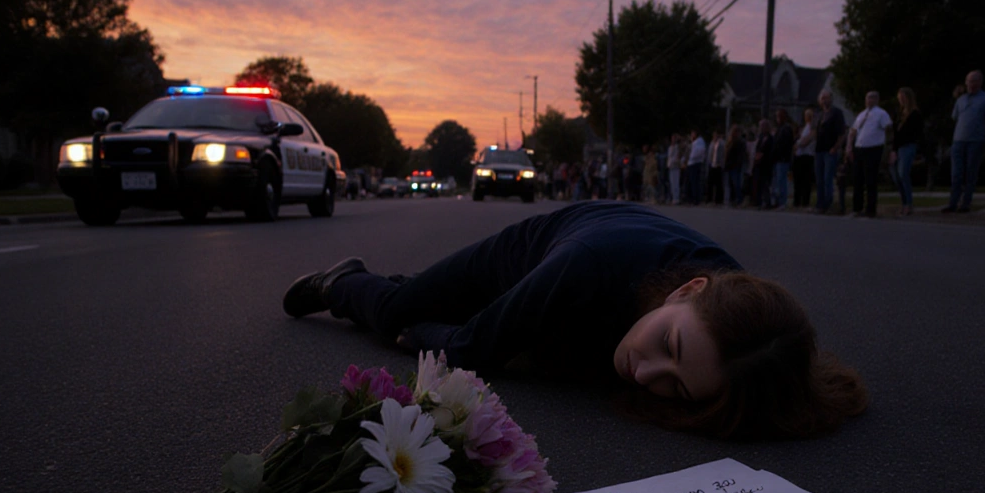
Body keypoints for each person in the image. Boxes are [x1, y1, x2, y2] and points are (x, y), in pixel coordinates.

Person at [282, 202, 868, 439]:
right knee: (399, 315)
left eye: (677, 387)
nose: (646, 374)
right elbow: (469, 347)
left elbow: (773, 357)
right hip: (542, 252)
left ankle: (421, 292)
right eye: (667, 344)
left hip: (598, 286)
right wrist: (419, 337)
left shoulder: (739, 320)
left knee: (538, 345)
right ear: (689, 291)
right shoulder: (586, 270)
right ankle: (347, 282)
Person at [943, 70, 985, 213]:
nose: (971, 84)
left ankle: (966, 203)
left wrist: (984, 133)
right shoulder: (961, 100)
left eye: (974, 81)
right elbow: (956, 118)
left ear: (980, 82)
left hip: (975, 141)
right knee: (956, 173)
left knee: (971, 172)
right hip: (958, 140)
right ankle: (953, 202)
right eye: (969, 81)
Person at [845, 91, 893, 217]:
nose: (870, 101)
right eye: (868, 98)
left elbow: (888, 129)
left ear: (877, 100)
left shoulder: (881, 114)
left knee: (870, 179)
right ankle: (857, 208)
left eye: (872, 98)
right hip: (860, 148)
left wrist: (888, 148)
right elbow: (853, 131)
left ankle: (870, 209)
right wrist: (849, 147)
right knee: (858, 179)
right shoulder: (861, 115)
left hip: (873, 148)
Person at [890, 87, 922, 216]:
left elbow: (916, 133)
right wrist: (893, 150)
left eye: (903, 98)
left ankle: (909, 204)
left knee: (903, 174)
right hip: (898, 148)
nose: (901, 100)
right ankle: (904, 203)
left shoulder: (914, 114)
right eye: (899, 98)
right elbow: (896, 134)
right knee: (896, 176)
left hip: (908, 146)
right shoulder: (899, 114)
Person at [813, 91, 847, 214]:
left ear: (831, 99)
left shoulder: (836, 113)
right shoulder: (820, 115)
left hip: (830, 150)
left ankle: (828, 203)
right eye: (822, 98)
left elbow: (842, 133)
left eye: (826, 98)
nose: (824, 100)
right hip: (819, 150)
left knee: (828, 178)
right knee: (819, 179)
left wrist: (836, 147)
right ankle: (820, 204)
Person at [772, 109, 795, 209]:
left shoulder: (786, 129)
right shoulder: (779, 128)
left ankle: (782, 202)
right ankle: (777, 201)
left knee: (782, 181)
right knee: (777, 181)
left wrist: (782, 154)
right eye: (777, 116)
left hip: (783, 158)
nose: (778, 119)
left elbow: (786, 144)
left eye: (780, 116)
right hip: (778, 158)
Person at [793, 108, 816, 210]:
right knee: (798, 180)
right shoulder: (804, 127)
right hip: (799, 155)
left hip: (808, 155)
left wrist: (798, 143)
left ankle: (805, 202)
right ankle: (797, 201)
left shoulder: (813, 128)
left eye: (809, 115)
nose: (807, 117)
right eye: (806, 115)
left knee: (806, 180)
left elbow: (806, 141)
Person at [752, 119, 775, 209]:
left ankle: (767, 202)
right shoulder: (760, 138)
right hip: (758, 163)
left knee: (765, 183)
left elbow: (769, 150)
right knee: (758, 183)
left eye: (763, 126)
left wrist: (762, 155)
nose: (761, 128)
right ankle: (758, 201)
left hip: (766, 163)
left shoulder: (770, 138)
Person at [725, 125, 747, 207]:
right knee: (732, 183)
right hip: (730, 165)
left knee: (736, 183)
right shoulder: (731, 142)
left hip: (735, 165)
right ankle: (733, 199)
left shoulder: (739, 142)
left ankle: (739, 199)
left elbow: (740, 155)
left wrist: (737, 163)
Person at [685, 130, 707, 206]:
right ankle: (690, 198)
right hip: (691, 163)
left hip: (694, 164)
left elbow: (698, 152)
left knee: (694, 182)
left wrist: (690, 158)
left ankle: (695, 199)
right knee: (690, 182)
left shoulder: (699, 142)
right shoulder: (694, 142)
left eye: (692, 134)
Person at [707, 128, 726, 205]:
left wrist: (721, 163)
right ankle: (709, 199)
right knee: (710, 182)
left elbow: (723, 154)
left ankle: (718, 200)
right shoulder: (712, 143)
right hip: (712, 164)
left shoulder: (721, 143)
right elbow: (710, 154)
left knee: (719, 183)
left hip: (718, 165)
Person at [666, 134, 684, 206]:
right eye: (672, 138)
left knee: (676, 183)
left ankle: (676, 198)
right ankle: (673, 198)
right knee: (672, 183)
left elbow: (679, 155)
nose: (673, 140)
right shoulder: (670, 147)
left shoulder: (678, 147)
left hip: (676, 166)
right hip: (671, 166)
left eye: (674, 138)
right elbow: (669, 157)